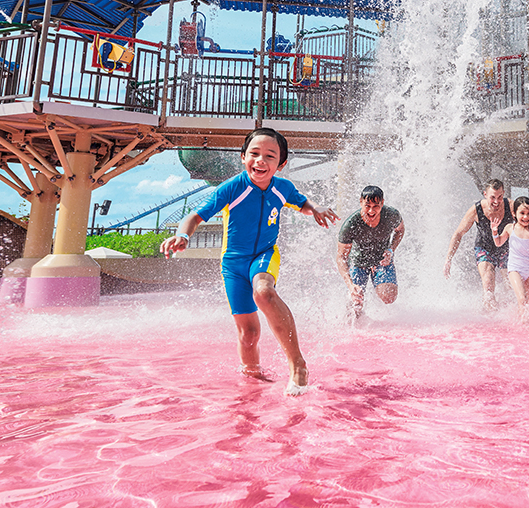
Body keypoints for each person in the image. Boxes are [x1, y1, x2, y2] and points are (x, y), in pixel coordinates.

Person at [161, 127, 336, 393]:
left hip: (265, 254)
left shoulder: (283, 188)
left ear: (281, 163)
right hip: (232, 264)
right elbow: (194, 217)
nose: (261, 161)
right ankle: (252, 383)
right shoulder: (232, 188)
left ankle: (298, 364)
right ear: (243, 157)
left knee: (264, 293)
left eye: (270, 155)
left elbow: (303, 203)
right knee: (249, 334)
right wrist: (182, 236)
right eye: (254, 153)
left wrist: (316, 209)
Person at [336, 185, 405, 320]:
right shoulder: (351, 224)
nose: (371, 211)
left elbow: (400, 230)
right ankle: (356, 324)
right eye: (367, 205)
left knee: (389, 296)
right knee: (354, 305)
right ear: (361, 202)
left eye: (376, 206)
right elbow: (341, 257)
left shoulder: (391, 215)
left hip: (381, 260)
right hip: (358, 263)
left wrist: (391, 249)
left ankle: (377, 285)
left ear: (382, 203)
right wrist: (350, 285)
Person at [444, 179, 513, 311]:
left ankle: (509, 315)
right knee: (488, 283)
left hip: (505, 248)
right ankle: (489, 316)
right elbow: (458, 233)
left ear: (503, 193)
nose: (496, 202)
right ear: (485, 194)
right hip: (484, 248)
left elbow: (526, 227)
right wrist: (448, 259)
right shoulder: (476, 210)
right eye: (492, 197)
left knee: (510, 284)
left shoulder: (511, 206)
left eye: (500, 197)